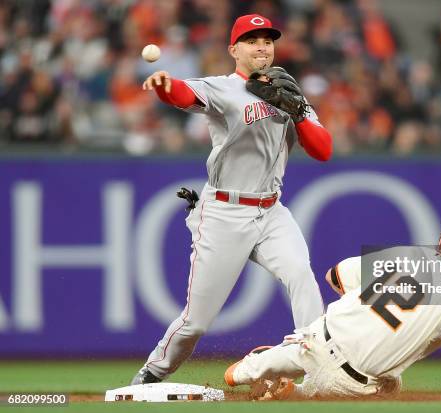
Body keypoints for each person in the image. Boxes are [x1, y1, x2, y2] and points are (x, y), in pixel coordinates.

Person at [131, 14, 333, 385]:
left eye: (267, 40)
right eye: (252, 40)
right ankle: (154, 370)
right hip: (225, 211)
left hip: (272, 211)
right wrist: (163, 85)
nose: (262, 46)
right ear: (234, 50)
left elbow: (323, 150)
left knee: (302, 276)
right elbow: (184, 93)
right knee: (196, 321)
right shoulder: (224, 88)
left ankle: (318, 366)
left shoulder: (290, 92)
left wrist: (298, 111)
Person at [224, 212, 441, 402]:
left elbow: (334, 275)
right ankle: (298, 392)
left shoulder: (404, 255)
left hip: (314, 339)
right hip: (349, 380)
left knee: (237, 374)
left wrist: (363, 306)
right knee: (386, 385)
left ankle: (253, 368)